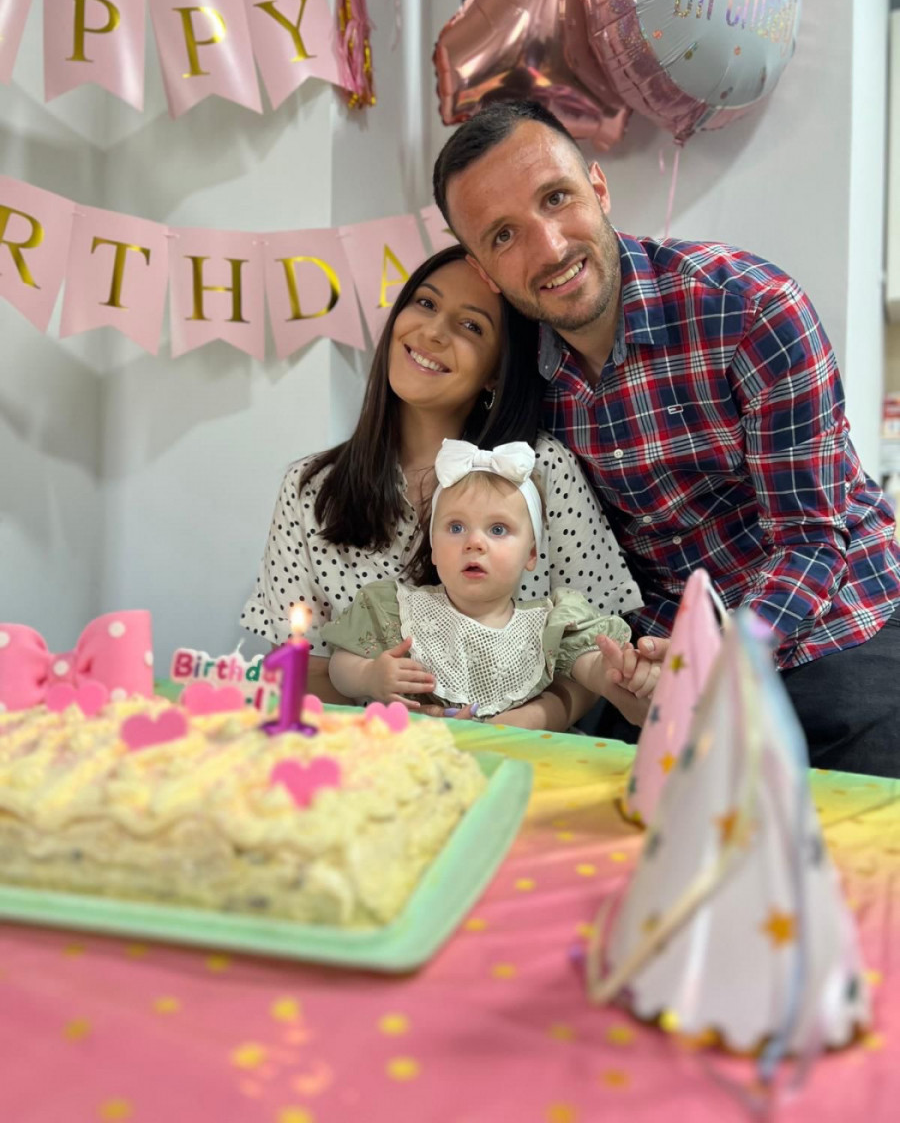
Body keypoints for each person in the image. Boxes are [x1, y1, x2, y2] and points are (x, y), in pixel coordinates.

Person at [432, 98, 900, 775]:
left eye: (557, 198)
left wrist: (715, 658)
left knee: (856, 827)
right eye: (503, 235)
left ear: (598, 187)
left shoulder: (750, 308)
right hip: (664, 658)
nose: (550, 247)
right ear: (484, 271)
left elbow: (810, 540)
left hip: (837, 624)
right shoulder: (516, 378)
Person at [242, 244, 653, 730]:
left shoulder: (541, 468)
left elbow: (593, 650)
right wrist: (383, 702)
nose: (434, 332)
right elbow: (303, 667)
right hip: (369, 753)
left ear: (496, 371)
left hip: (520, 755)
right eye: (426, 303)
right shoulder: (312, 488)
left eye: (471, 326)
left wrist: (526, 720)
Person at [322, 439, 659, 723]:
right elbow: (340, 664)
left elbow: (591, 667)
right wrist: (368, 676)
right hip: (423, 757)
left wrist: (616, 671)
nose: (474, 542)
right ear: (434, 548)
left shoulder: (549, 624)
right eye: (456, 527)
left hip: (520, 762)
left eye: (498, 529)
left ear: (531, 554)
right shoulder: (399, 611)